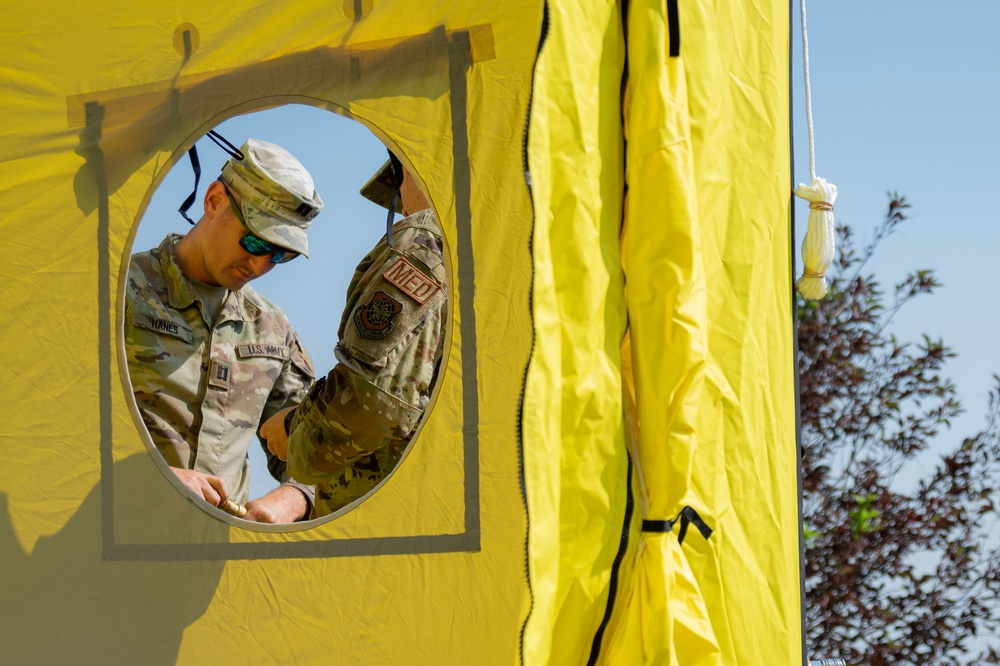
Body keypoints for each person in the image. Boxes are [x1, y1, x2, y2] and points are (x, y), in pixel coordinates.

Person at [125, 138, 322, 523]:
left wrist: (294, 498)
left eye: (280, 254)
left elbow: (313, 448)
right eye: (255, 240)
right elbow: (49, 419)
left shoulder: (273, 331)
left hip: (216, 565)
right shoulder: (116, 297)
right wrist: (151, 476)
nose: (260, 264)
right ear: (214, 201)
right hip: (104, 549)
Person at [260, 152, 447, 518]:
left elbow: (371, 408)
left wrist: (295, 433)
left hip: (402, 526)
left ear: (408, 167)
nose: (402, 208)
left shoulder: (426, 239)